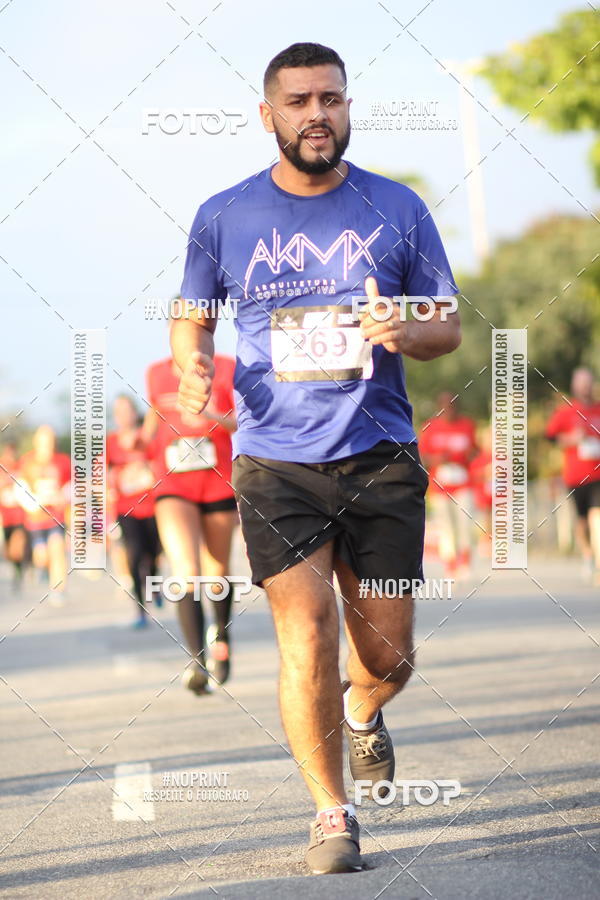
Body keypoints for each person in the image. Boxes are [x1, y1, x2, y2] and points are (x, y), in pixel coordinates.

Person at [171, 42, 461, 874]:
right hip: (273, 460)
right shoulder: (223, 215)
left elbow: (446, 325)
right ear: (269, 115)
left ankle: (364, 714)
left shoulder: (397, 208)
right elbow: (192, 315)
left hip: (379, 454)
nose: (316, 115)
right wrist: (193, 359)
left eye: (330, 99)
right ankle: (332, 817)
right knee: (305, 632)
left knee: (388, 655)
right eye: (297, 102)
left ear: (347, 107)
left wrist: (406, 330)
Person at [146, 351, 238, 692]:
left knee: (217, 572)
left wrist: (210, 415)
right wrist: (140, 441)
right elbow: (153, 419)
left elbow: (243, 421)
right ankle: (197, 659)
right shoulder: (155, 372)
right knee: (186, 570)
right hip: (173, 483)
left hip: (217, 480)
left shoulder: (227, 368)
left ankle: (222, 635)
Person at [107, 395, 161, 628]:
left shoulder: (147, 437)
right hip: (125, 509)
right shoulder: (110, 442)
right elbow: (103, 472)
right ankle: (140, 609)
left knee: (153, 554)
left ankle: (155, 586)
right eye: (118, 411)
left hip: (152, 505)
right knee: (134, 554)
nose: (123, 415)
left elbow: (160, 463)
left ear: (134, 413)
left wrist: (146, 468)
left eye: (127, 410)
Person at [546, 367, 600, 582]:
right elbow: (550, 437)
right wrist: (570, 439)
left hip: (598, 474)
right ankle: (588, 555)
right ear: (575, 386)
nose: (585, 387)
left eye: (588, 382)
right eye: (581, 383)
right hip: (576, 476)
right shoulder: (566, 412)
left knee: (597, 515)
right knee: (583, 521)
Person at [419, 393, 478, 578]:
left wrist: (470, 455)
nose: (450, 408)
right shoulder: (430, 427)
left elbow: (475, 450)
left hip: (463, 483)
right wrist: (437, 459)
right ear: (440, 406)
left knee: (465, 522)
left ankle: (465, 561)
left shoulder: (467, 425)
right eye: (446, 404)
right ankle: (451, 564)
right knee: (446, 526)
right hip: (440, 486)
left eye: (453, 404)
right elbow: (421, 458)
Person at [16, 426, 70, 605]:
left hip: (56, 517)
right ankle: (44, 571)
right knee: (42, 556)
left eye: (49, 441)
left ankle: (58, 589)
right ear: (36, 442)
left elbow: (71, 486)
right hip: (35, 519)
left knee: (57, 551)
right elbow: (21, 487)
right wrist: (33, 502)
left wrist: (62, 496)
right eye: (43, 441)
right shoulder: (27, 461)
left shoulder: (62, 461)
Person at [0, 442, 30, 587]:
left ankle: (21, 570)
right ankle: (16, 568)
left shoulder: (21, 467)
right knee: (9, 551)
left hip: (19, 515)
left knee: (17, 546)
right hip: (6, 517)